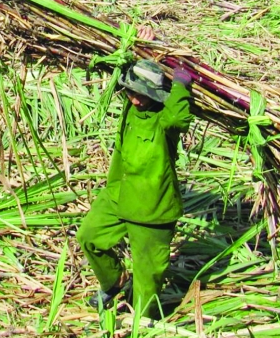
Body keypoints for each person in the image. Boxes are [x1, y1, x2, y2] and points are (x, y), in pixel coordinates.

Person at [78, 43, 194, 316]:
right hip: (119, 194)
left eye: (143, 95)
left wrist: (181, 84)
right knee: (88, 236)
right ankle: (113, 282)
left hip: (153, 208)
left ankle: (142, 329)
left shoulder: (164, 120)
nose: (136, 100)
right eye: (132, 93)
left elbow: (180, 117)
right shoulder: (130, 107)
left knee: (147, 277)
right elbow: (122, 60)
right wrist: (140, 42)